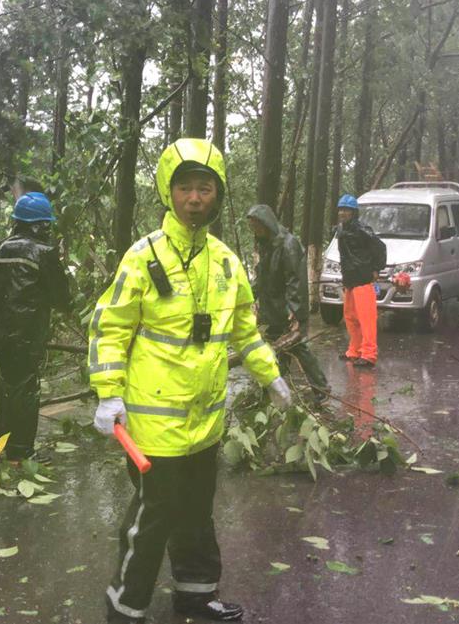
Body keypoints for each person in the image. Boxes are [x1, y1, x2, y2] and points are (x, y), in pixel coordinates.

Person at [89, 138, 291, 624]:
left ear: (217, 196)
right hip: (153, 427)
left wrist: (272, 376)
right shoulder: (143, 257)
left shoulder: (225, 261)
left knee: (198, 514)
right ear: (168, 191)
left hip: (205, 421)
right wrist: (108, 393)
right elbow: (108, 327)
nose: (195, 197)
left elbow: (245, 329)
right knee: (152, 518)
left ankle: (196, 596)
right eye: (186, 188)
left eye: (205, 188)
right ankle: (126, 607)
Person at [0, 192, 72, 461]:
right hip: (26, 337)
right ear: (40, 225)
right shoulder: (44, 252)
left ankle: (1, 449)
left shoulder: (0, 251)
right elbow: (61, 297)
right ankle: (21, 454)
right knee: (26, 392)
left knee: (7, 389)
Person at [246, 203, 328, 401]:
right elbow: (263, 277)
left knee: (297, 348)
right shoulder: (266, 244)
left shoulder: (288, 244)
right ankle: (273, 391)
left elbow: (295, 280)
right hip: (273, 309)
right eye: (252, 227)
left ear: (266, 223)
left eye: (257, 226)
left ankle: (321, 389)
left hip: (287, 311)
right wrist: (247, 295)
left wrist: (295, 311)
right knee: (277, 349)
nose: (254, 230)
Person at [335, 194, 386, 368]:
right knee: (350, 317)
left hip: (363, 280)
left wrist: (376, 269)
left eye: (346, 210)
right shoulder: (341, 230)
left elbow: (380, 248)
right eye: (341, 210)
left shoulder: (363, 230)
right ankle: (354, 350)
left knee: (366, 319)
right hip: (349, 280)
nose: (343, 213)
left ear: (354, 212)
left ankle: (369, 354)